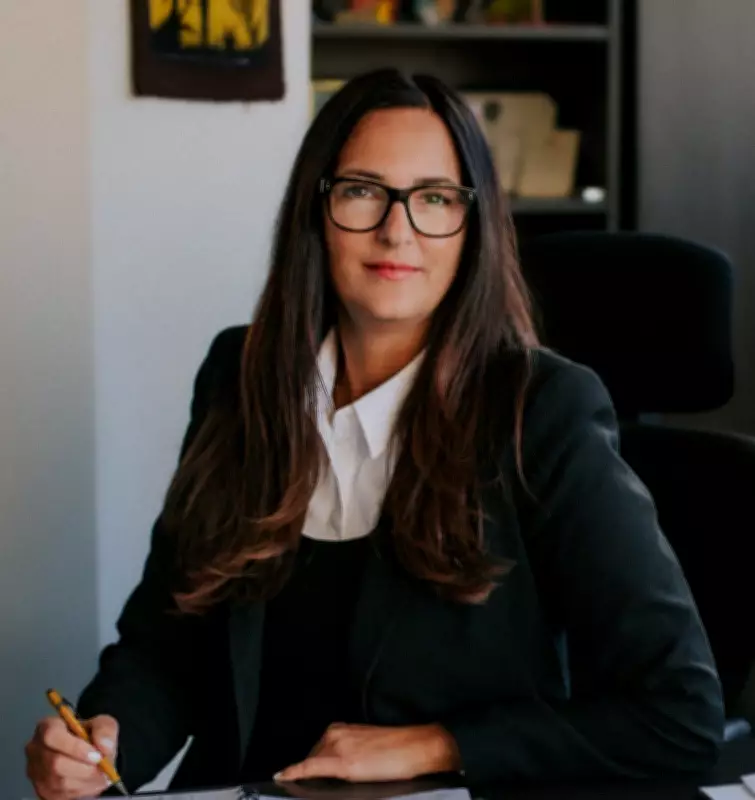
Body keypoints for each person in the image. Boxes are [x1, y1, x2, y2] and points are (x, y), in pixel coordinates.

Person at [25, 68, 724, 800]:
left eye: (434, 198)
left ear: (473, 226)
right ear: (316, 209)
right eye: (363, 191)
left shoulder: (540, 410)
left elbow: (676, 713)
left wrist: (435, 746)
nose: (398, 229)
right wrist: (100, 746)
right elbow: (170, 645)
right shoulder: (243, 374)